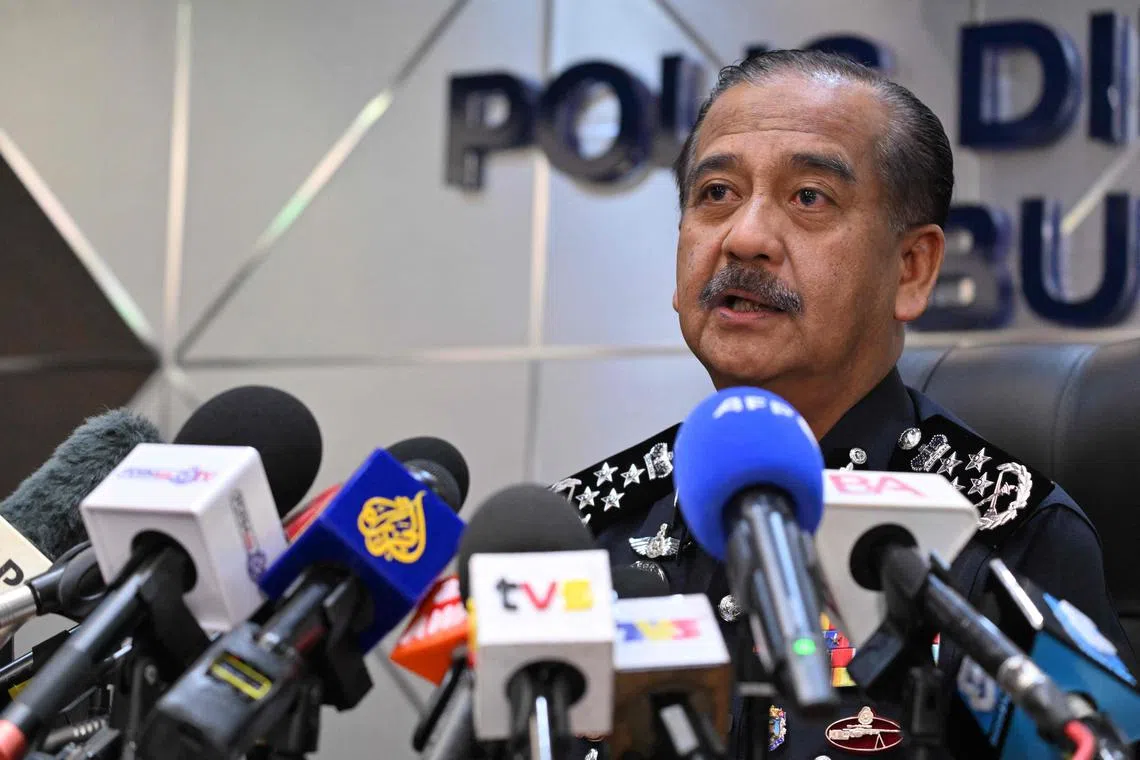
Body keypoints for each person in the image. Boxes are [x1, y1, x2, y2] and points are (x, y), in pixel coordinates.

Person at [552, 49, 1134, 759]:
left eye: (808, 198)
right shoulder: (582, 532)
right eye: (716, 194)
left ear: (911, 269)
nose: (745, 237)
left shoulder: (1003, 540)